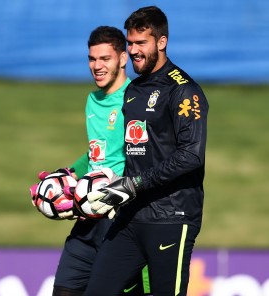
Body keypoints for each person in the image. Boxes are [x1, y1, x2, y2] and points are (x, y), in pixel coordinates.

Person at [84, 6, 209, 296]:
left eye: (142, 42)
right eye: (130, 43)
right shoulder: (133, 90)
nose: (134, 50)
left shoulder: (184, 90)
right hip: (131, 216)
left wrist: (136, 184)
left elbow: (192, 154)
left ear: (161, 42)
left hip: (172, 217)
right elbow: (132, 153)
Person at [30, 26, 148, 296]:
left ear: (122, 58)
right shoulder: (92, 101)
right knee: (63, 291)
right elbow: (96, 154)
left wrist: (117, 188)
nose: (97, 66)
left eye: (105, 59)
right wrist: (67, 175)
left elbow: (147, 157)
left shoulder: (137, 100)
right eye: (92, 59)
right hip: (88, 215)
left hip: (121, 217)